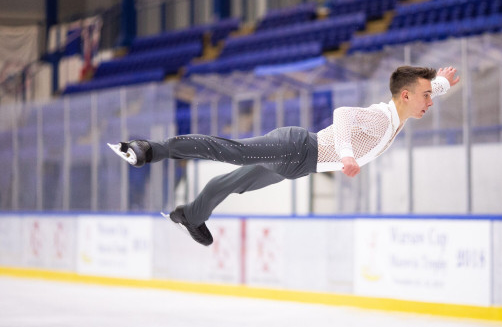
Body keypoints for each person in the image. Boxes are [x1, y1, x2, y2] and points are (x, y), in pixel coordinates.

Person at [110, 66, 459, 246]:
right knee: (231, 152)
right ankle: (150, 149)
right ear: (404, 95)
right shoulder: (383, 117)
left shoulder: (399, 112)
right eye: (427, 96)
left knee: (237, 182)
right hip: (297, 149)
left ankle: (191, 214)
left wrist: (440, 84)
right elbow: (343, 116)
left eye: (432, 95)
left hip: (300, 164)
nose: (430, 102)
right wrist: (349, 155)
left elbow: (422, 91)